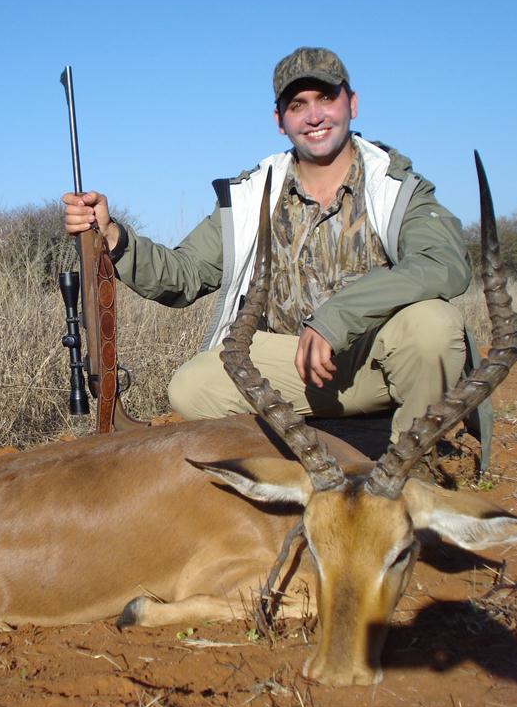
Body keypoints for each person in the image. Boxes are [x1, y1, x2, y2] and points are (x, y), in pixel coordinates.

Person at [62, 47, 484, 447]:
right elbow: (185, 274)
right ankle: (292, 457)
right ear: (280, 120)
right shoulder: (252, 194)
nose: (314, 115)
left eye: (326, 98)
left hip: (375, 363)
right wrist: (114, 237)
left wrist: (336, 318)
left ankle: (411, 463)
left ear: (352, 104)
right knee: (191, 388)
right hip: (291, 365)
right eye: (297, 105)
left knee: (433, 327)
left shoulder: (396, 185)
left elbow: (442, 262)